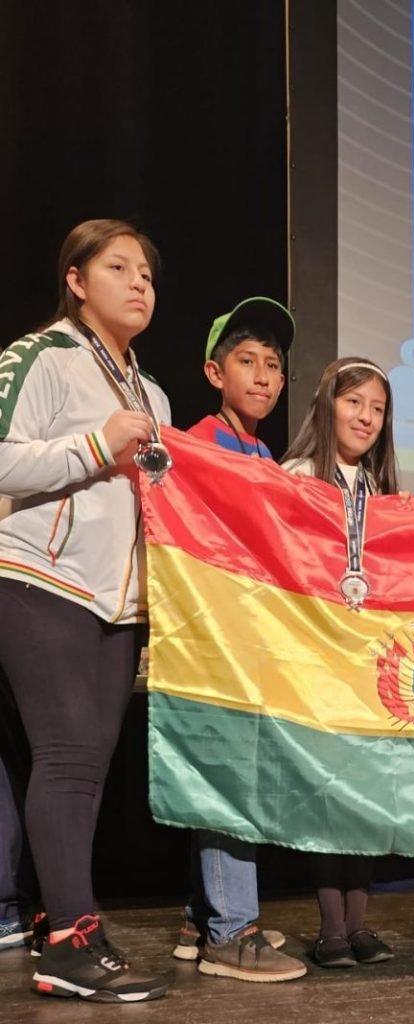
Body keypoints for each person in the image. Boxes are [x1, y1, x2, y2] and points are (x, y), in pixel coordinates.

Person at [0, 219, 171, 1000]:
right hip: (39, 578)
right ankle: (70, 943)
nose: (139, 284)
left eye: (147, 274)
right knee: (68, 756)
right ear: (75, 280)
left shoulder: (151, 391)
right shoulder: (42, 356)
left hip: (117, 601)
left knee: (87, 768)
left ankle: (66, 923)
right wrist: (97, 446)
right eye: (119, 268)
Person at [178, 298, 307, 983]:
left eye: (273, 366)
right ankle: (232, 931)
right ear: (214, 372)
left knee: (232, 776)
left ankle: (200, 918)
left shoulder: (262, 454)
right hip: (213, 638)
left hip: (250, 638)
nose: (262, 376)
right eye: (247, 361)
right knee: (228, 778)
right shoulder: (199, 445)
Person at [281, 356, 397, 968]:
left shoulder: (378, 488)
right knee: (329, 794)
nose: (366, 417)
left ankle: (359, 924)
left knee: (366, 794)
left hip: (369, 660)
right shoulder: (297, 475)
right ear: (327, 405)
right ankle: (330, 927)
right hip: (318, 655)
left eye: (377, 408)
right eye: (355, 403)